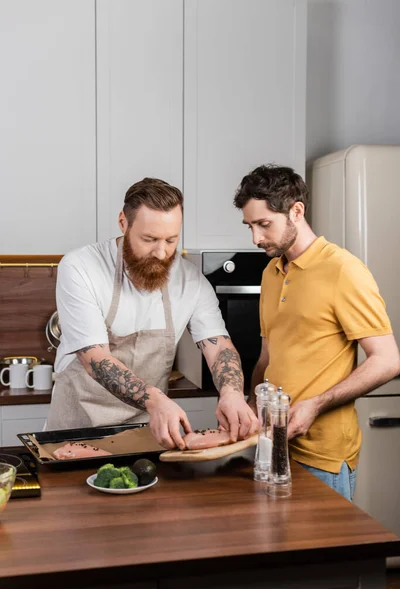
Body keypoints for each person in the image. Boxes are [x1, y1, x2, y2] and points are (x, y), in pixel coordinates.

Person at [47, 177, 258, 449]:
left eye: (171, 240)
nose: (161, 252)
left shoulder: (190, 279)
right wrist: (156, 400)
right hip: (76, 432)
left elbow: (218, 347)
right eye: (150, 239)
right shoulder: (81, 267)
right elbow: (95, 358)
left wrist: (232, 393)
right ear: (123, 223)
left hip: (147, 435)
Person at [233, 164, 400, 500]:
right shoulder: (271, 272)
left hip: (323, 456)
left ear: (296, 211)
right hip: (271, 446)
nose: (255, 238)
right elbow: (269, 357)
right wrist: (250, 403)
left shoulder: (342, 269)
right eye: (249, 226)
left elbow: (388, 361)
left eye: (264, 224)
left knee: (324, 553)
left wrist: (316, 404)